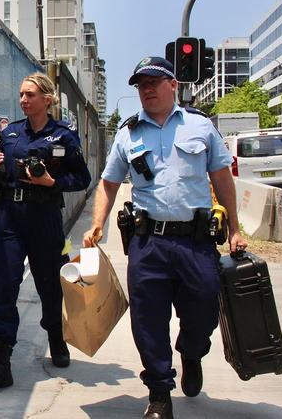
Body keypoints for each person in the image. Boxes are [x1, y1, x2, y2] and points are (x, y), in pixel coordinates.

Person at [82, 56, 248, 419]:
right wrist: (98, 223)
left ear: (173, 85)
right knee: (147, 320)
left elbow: (222, 179)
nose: (147, 90)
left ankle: (191, 351)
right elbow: (108, 184)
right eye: (141, 85)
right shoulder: (128, 133)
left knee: (204, 309)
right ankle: (159, 392)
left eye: (154, 82)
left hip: (195, 241)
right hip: (148, 243)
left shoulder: (200, 127)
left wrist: (235, 228)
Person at [0, 72, 91, 394]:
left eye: (30, 95)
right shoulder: (10, 134)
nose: (24, 100)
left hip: (44, 220)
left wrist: (52, 183)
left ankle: (56, 335)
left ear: (47, 99)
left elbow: (83, 178)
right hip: (9, 220)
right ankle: (1, 362)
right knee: (4, 288)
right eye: (22, 95)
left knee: (51, 287)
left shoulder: (63, 135)